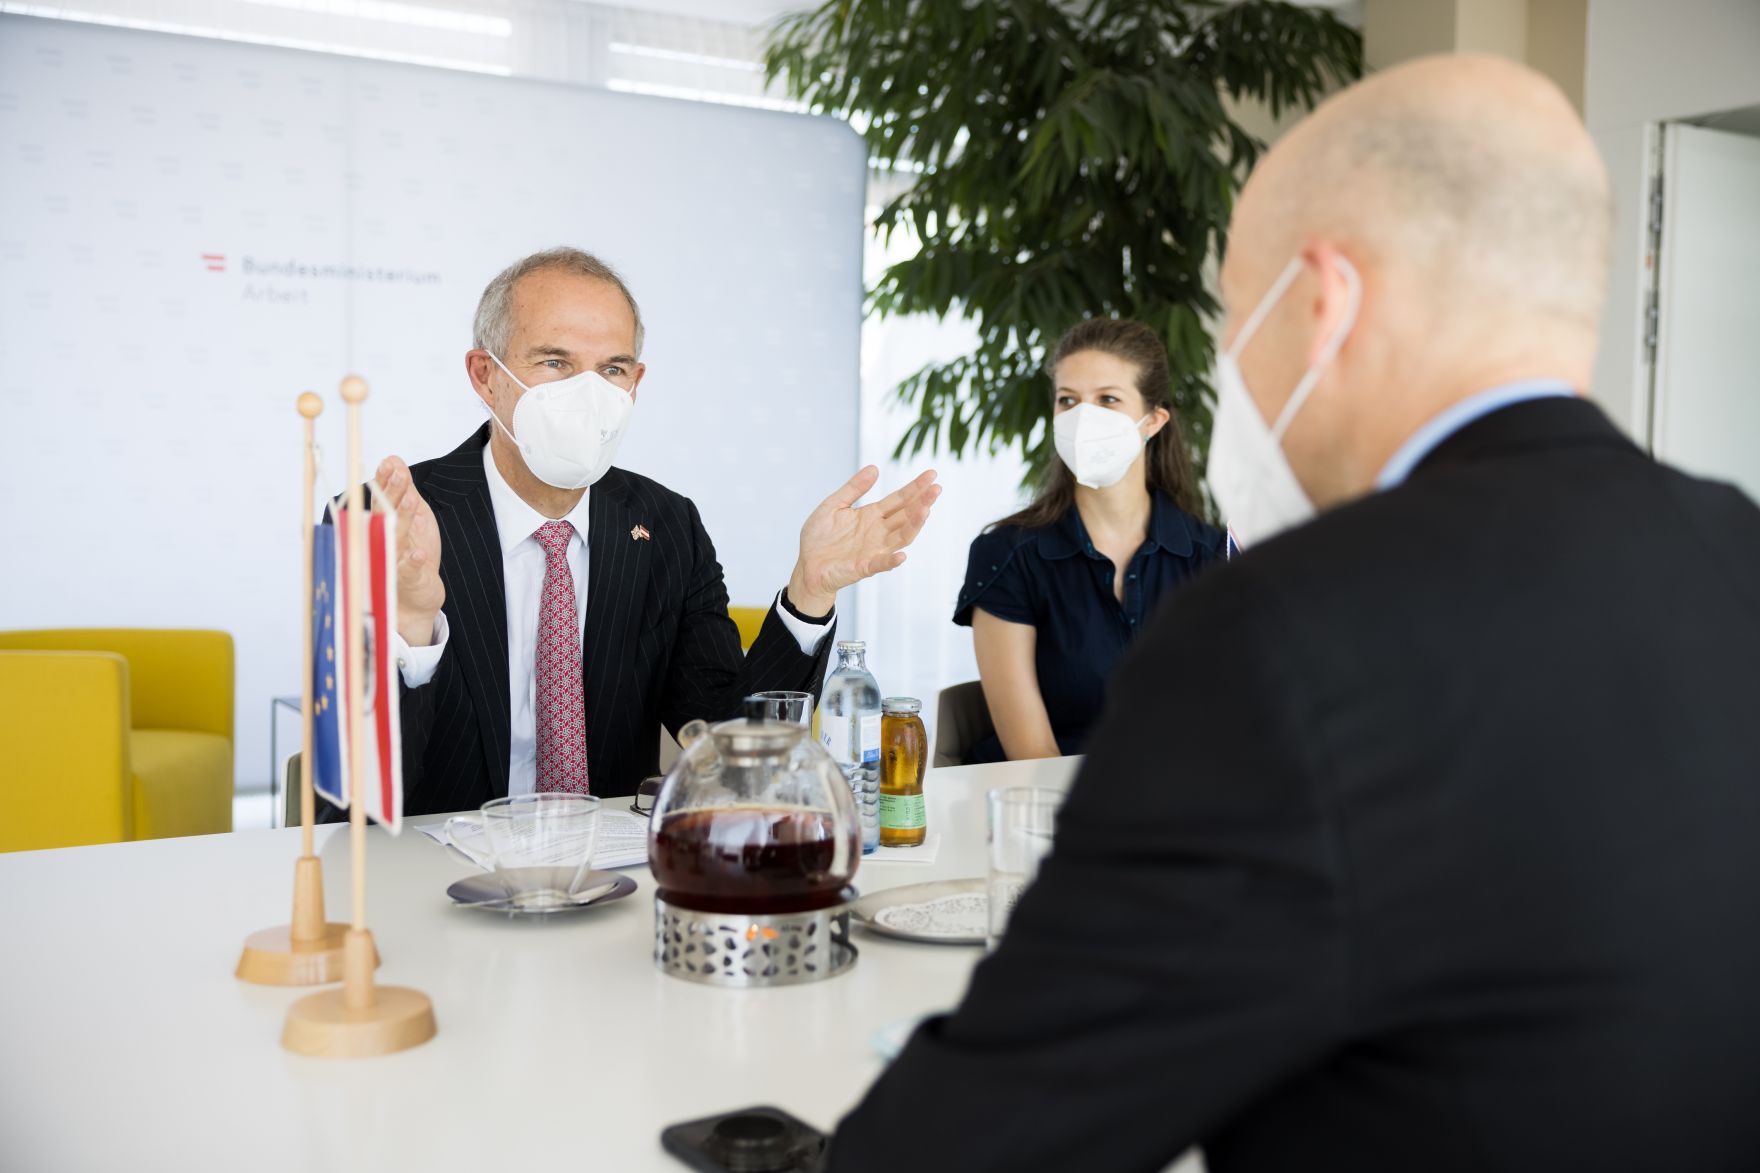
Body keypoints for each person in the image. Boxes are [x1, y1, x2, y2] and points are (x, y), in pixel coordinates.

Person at [823, 55, 1760, 1171]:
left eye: (1237, 319)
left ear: (1324, 304)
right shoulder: (1736, 550)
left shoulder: (1276, 631)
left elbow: (983, 1137)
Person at [362, 247, 939, 813]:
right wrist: (411, 627)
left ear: (635, 383)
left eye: (611, 369)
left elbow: (727, 742)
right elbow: (353, 797)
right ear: (486, 376)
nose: (588, 394)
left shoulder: (667, 526)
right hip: (429, 875)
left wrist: (809, 592)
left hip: (611, 878)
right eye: (555, 362)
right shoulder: (388, 521)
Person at [953, 319, 1225, 762]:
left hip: (1182, 812)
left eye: (1108, 399)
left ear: (1153, 421)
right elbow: (1033, 757)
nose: (1084, 418)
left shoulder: (1211, 559)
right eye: (1068, 401)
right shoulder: (1007, 555)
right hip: (1041, 810)